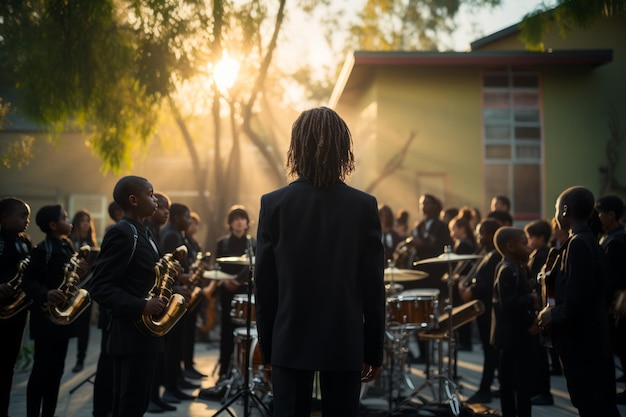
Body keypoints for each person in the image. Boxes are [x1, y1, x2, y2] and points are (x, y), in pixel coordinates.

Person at [254, 106, 385, 417]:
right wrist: (373, 351)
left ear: (296, 147)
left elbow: (265, 285)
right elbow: (373, 287)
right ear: (343, 148)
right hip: (344, 340)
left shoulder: (273, 204)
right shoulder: (363, 206)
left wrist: (268, 350)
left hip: (289, 339)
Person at [89, 176, 169, 417]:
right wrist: (142, 306)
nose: (155, 199)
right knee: (128, 407)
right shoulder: (122, 232)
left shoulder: (144, 232)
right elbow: (100, 286)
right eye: (151, 194)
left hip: (146, 336)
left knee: (137, 405)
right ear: (133, 200)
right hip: (129, 336)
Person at [538, 186, 620, 417]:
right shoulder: (589, 240)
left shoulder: (578, 245)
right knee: (602, 404)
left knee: (591, 406)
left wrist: (551, 314)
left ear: (564, 211)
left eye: (555, 209)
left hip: (583, 345)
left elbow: (578, 300)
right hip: (594, 340)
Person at [22, 204, 88, 417]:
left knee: (57, 369)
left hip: (63, 320)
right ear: (52, 225)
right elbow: (29, 281)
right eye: (65, 217)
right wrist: (46, 293)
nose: (69, 221)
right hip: (45, 319)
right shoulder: (43, 250)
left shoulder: (67, 245)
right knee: (41, 370)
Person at [198, 205, 255, 401]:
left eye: (243, 218)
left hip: (246, 294)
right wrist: (224, 281)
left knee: (247, 335)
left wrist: (239, 281)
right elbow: (217, 267)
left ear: (247, 223)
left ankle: (246, 375)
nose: (239, 222)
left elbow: (254, 268)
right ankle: (224, 373)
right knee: (226, 334)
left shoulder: (253, 243)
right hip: (226, 293)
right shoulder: (221, 243)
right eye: (236, 218)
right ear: (230, 223)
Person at [491, 226, 538, 417]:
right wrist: (530, 299)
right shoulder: (506, 270)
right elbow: (508, 304)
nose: (528, 248)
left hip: (515, 337)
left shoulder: (514, 267)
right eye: (524, 244)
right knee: (512, 385)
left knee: (520, 384)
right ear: (510, 246)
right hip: (513, 338)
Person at [459, 218, 502, 404]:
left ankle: (485, 389)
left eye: (481, 233)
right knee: (490, 350)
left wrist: (471, 290)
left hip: (489, 311)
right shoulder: (487, 253)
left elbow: (487, 283)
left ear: (491, 235)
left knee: (490, 350)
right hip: (484, 310)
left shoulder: (495, 256)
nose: (478, 236)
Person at [158, 203, 196, 403]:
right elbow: (168, 268)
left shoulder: (177, 233)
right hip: (172, 296)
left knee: (176, 346)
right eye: (187, 216)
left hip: (178, 294)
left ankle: (176, 383)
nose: (189, 221)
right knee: (171, 348)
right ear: (177, 218)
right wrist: (178, 286)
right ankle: (170, 388)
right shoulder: (171, 235)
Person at [0, 197, 33, 417]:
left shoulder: (26, 241)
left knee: (8, 365)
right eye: (22, 216)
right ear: (4, 217)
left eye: (28, 216)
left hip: (17, 312)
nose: (26, 220)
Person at [594, 195, 626, 402]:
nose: (597, 217)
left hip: (617, 304)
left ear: (611, 215)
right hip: (613, 303)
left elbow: (613, 277)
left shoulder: (617, 240)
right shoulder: (608, 237)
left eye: (600, 213)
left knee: (621, 346)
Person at [523, 219, 555, 406]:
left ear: (541, 238)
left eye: (530, 237)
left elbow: (536, 281)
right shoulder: (538, 253)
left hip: (539, 307)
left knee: (540, 355)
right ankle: (539, 390)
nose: (528, 241)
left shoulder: (542, 255)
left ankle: (544, 392)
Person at [68, 209, 99, 373]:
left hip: (86, 290)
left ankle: (80, 359)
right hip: (69, 289)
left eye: (88, 220)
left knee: (84, 326)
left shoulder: (93, 245)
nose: (85, 223)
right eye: (82, 220)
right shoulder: (68, 242)